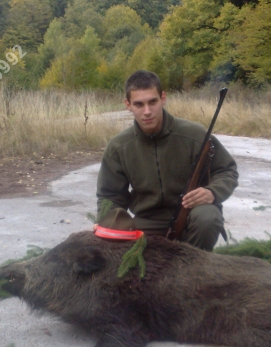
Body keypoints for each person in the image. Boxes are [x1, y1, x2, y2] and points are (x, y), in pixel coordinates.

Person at [96, 70, 238, 251]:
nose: (147, 111)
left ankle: (194, 269)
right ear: (128, 104)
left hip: (191, 216)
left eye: (152, 102)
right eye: (139, 104)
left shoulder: (195, 135)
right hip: (146, 221)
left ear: (163, 98)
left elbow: (227, 170)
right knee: (106, 236)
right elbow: (109, 196)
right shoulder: (118, 146)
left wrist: (213, 192)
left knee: (208, 217)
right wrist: (105, 223)